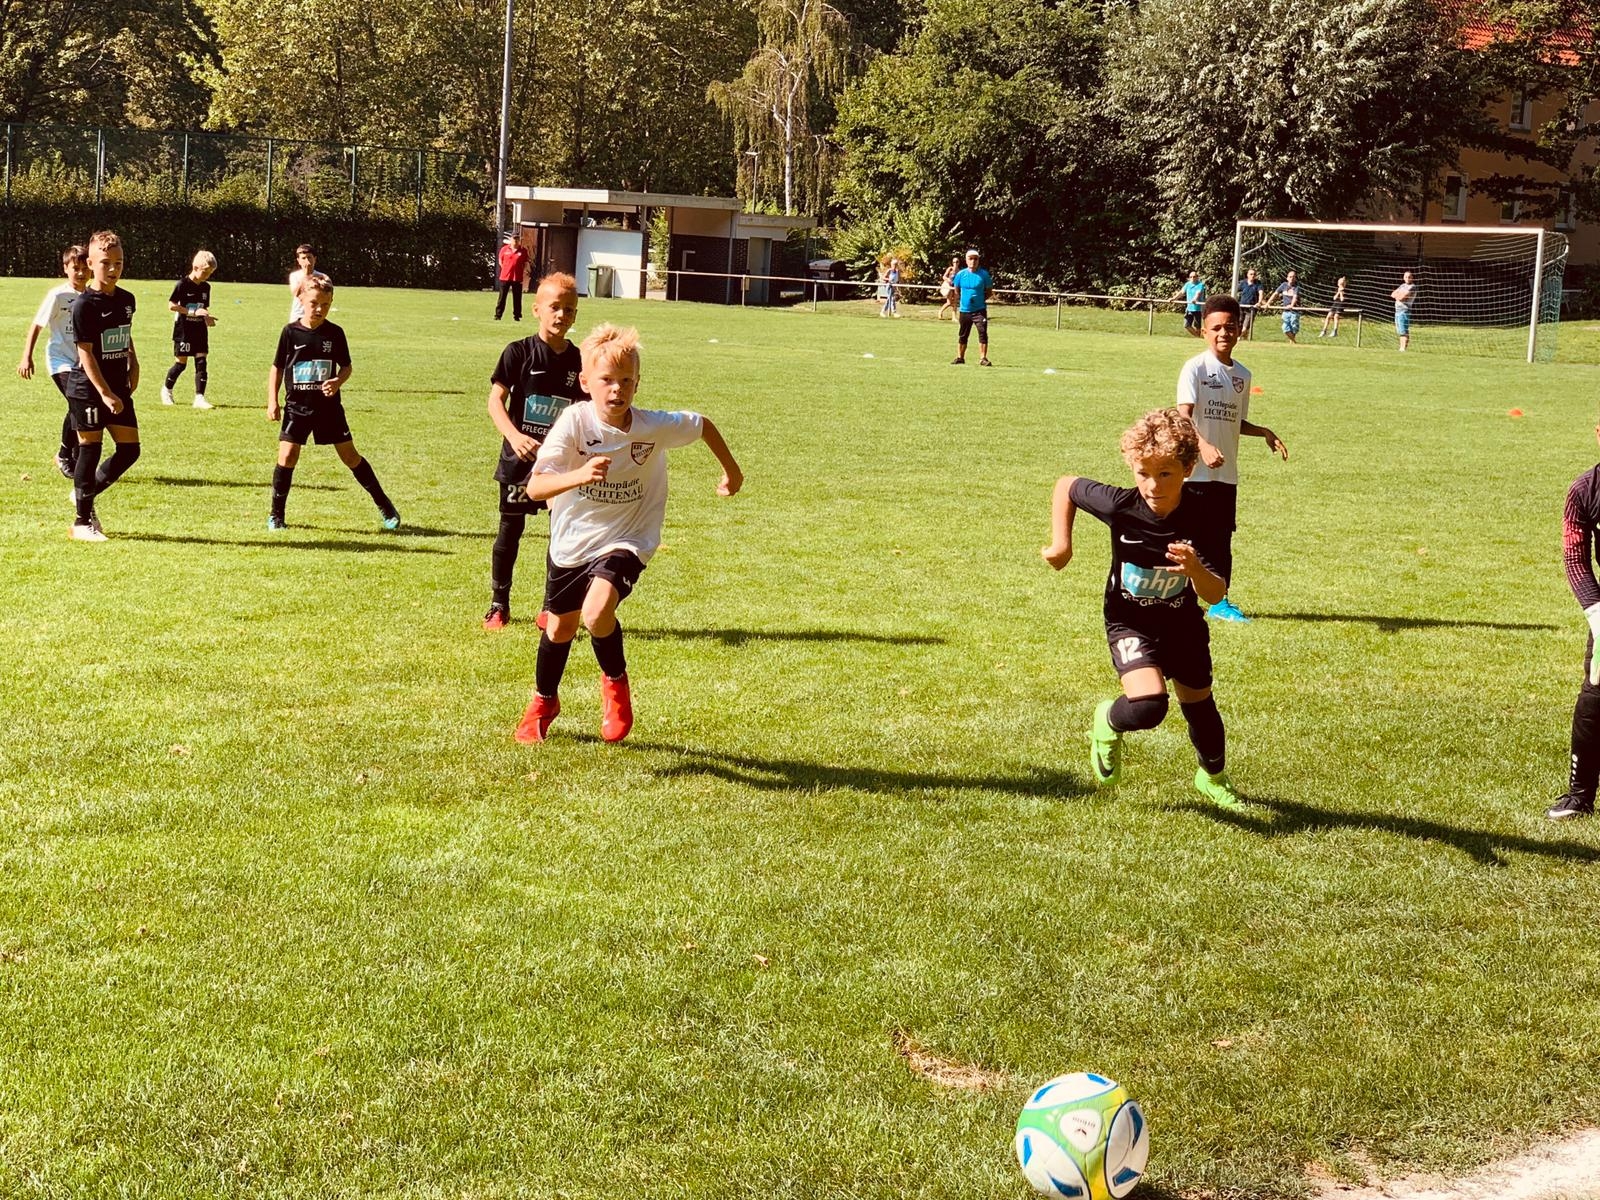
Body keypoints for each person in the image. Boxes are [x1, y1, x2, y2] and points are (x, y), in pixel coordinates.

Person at [514, 323, 743, 745]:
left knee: (597, 612)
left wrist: (733, 472)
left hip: (629, 537)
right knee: (560, 628)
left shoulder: (652, 426)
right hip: (573, 538)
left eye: (626, 380)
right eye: (606, 380)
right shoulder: (573, 423)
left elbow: (703, 425)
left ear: (638, 383)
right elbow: (536, 488)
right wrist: (580, 474)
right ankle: (544, 701)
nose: (616, 389)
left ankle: (615, 685)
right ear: (585, 382)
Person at [1040, 408, 1243, 807]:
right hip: (1129, 620)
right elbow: (1067, 486)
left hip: (1182, 623)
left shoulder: (1206, 515)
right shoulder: (1120, 505)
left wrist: (1195, 569)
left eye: (1165, 473)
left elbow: (1216, 593)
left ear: (1188, 469)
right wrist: (1062, 545)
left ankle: (1213, 778)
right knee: (1150, 706)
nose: (1153, 485)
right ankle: (1107, 720)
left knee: (1199, 704)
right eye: (1143, 472)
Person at [1174, 295, 1289, 623]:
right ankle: (1177, 597)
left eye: (1230, 327)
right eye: (1216, 328)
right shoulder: (1195, 367)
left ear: (1240, 330)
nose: (1223, 333)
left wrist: (1263, 431)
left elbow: (1234, 420)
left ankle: (1219, 603)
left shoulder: (1242, 375)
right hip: (1194, 473)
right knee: (1187, 538)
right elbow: (1183, 415)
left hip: (1225, 475)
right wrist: (1203, 446)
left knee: (1221, 538)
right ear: (1204, 332)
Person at [484, 272, 586, 630]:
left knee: (561, 533)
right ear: (537, 309)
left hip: (560, 467)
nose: (561, 315)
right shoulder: (518, 352)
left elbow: (587, 411)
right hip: (519, 461)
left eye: (569, 310)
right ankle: (499, 603)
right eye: (554, 307)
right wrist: (514, 436)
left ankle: (551, 606)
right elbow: (495, 401)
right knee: (510, 530)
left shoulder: (580, 361)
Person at [266, 276, 401, 531]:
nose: (319, 309)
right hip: (297, 407)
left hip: (328, 409)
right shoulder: (290, 332)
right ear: (301, 299)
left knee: (350, 457)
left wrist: (337, 381)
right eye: (314, 303)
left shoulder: (335, 333)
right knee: (287, 456)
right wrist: (272, 401)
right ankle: (276, 515)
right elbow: (277, 368)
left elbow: (347, 367)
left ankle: (385, 506)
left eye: (325, 305)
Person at [65, 230, 142, 542]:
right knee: (90, 449)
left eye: (118, 263)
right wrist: (105, 393)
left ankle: (84, 494)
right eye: (106, 263)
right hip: (87, 389)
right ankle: (81, 522)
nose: (113, 269)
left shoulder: (127, 299)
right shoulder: (84, 305)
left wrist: (134, 363)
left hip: (117, 386)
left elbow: (124, 334)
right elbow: (85, 352)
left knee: (130, 450)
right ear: (90, 264)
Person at [1551, 425, 1600, 820]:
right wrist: (1598, 616)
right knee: (1596, 692)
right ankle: (1580, 795)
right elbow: (1575, 559)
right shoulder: (1584, 490)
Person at [17, 243, 89, 479]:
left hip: (84, 363)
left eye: (84, 268)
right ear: (65, 268)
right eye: (75, 268)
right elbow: (37, 325)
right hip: (60, 360)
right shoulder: (57, 295)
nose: (80, 273)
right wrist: (26, 357)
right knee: (77, 403)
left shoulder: (92, 295)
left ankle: (75, 455)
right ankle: (64, 455)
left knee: (81, 405)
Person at [162, 249, 217, 409]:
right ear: (195, 267)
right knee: (181, 364)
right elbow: (171, 305)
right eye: (205, 272)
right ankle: (166, 390)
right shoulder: (182, 285)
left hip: (199, 329)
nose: (207, 276)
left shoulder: (206, 287)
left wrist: (207, 317)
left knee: (201, 362)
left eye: (210, 273)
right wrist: (192, 312)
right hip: (184, 330)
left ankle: (199, 398)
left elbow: (203, 308)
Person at [951, 249, 993, 366]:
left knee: (982, 332)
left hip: (979, 310)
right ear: (966, 260)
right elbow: (957, 290)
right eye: (970, 259)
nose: (973, 261)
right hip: (965, 310)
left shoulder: (984, 275)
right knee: (963, 334)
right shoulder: (960, 275)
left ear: (978, 260)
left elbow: (989, 292)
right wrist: (965, 300)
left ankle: (983, 358)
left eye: (975, 259)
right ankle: (960, 357)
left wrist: (979, 300)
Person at [287, 244, 330, 322]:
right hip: (298, 315)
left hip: (316, 315)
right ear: (298, 261)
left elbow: (328, 295)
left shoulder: (323, 277)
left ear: (315, 259)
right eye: (303, 258)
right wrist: (306, 276)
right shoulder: (295, 276)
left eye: (309, 257)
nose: (307, 261)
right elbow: (296, 294)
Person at [494, 232, 529, 322]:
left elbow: (525, 263)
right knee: (502, 297)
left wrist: (522, 271)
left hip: (517, 278)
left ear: (519, 240)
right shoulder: (504, 249)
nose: (515, 240)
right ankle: (498, 315)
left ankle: (517, 316)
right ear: (511, 239)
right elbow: (500, 261)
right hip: (505, 277)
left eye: (517, 238)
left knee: (517, 298)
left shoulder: (523, 250)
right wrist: (506, 269)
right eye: (514, 238)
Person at [1265, 269, 1302, 343]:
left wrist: (1291, 305)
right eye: (1290, 277)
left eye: (1293, 277)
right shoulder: (1283, 285)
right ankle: (1294, 342)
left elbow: (1295, 298)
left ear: (1295, 278)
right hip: (1286, 311)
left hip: (1294, 311)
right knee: (1285, 328)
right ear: (1287, 278)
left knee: (1294, 327)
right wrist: (1268, 303)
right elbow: (1275, 294)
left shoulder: (1296, 287)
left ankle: (1292, 343)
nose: (1292, 278)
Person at [1169, 271, 1207, 337]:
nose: (1192, 278)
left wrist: (1195, 299)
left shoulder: (1200, 285)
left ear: (1197, 277)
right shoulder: (1187, 284)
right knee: (1186, 325)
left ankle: (1198, 337)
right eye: (1191, 277)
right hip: (1189, 308)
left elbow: (1198, 293)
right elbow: (1181, 292)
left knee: (1197, 327)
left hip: (1198, 309)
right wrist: (1174, 298)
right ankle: (1198, 337)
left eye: (1194, 277)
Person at [1392, 270, 1417, 352]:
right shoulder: (1402, 285)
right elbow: (1393, 294)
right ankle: (1401, 348)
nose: (1407, 278)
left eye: (1409, 277)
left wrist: (1399, 295)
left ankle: (1403, 348)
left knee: (1403, 330)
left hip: (1404, 310)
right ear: (1403, 277)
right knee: (1400, 331)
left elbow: (1402, 298)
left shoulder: (1412, 287)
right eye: (1406, 277)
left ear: (1412, 278)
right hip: (1397, 311)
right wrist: (1399, 295)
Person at [1235, 268, 1263, 339]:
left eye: (1254, 274)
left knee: (1246, 326)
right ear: (1247, 275)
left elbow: (1261, 293)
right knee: (1239, 323)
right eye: (1251, 274)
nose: (1252, 276)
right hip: (1241, 307)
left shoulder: (1258, 283)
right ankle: (1243, 337)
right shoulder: (1243, 283)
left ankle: (1239, 338)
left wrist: (1259, 302)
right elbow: (1235, 291)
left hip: (1251, 309)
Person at [937, 255, 960, 320]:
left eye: (957, 262)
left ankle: (954, 317)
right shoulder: (950, 269)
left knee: (955, 302)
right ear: (952, 263)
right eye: (954, 262)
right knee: (949, 302)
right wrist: (948, 280)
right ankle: (940, 311)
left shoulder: (959, 271)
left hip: (955, 288)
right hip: (949, 287)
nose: (955, 263)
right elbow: (944, 276)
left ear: (959, 263)